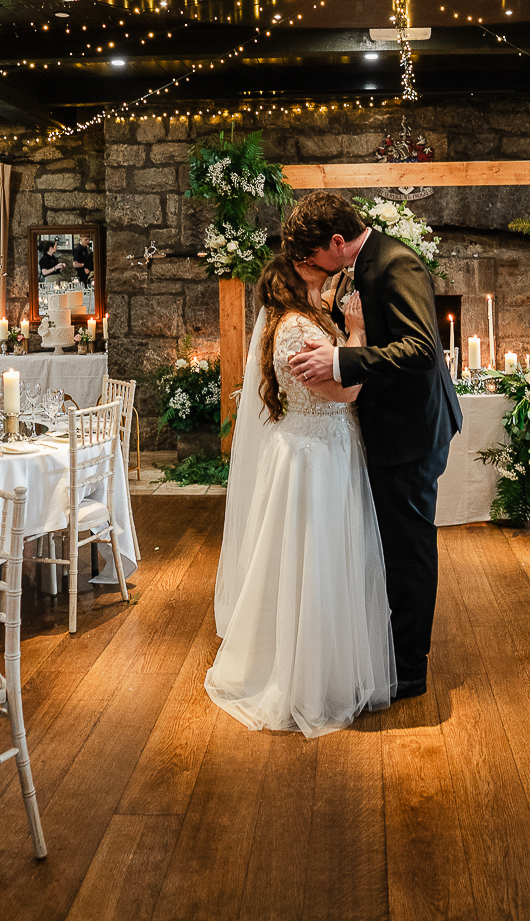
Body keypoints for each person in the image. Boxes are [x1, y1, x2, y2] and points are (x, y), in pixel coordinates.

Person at [205, 250, 396, 737]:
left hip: (322, 448)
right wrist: (357, 333)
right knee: (312, 562)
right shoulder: (294, 329)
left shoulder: (304, 320)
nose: (327, 275)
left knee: (326, 562)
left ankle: (328, 661)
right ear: (295, 281)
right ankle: (307, 680)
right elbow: (345, 392)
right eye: (315, 271)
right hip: (314, 458)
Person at [283, 191, 461, 701]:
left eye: (311, 256)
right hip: (390, 426)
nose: (306, 266)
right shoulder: (362, 264)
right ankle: (391, 648)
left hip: (411, 434)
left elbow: (422, 349)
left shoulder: (395, 262)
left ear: (337, 242)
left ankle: (410, 669)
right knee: (393, 545)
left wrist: (342, 362)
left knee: (409, 549)